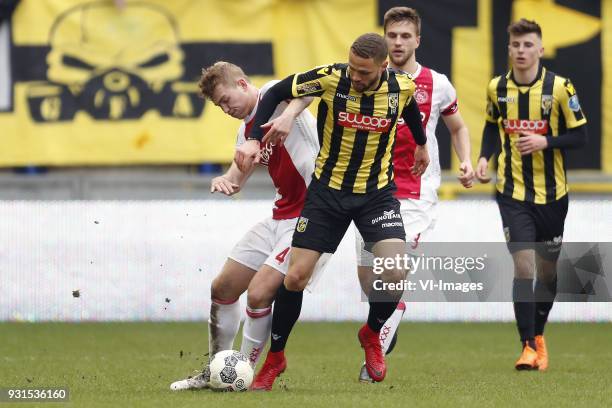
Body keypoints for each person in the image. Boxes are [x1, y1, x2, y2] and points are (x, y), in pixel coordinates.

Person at [235, 33, 430, 390]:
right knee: (295, 278)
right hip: (327, 194)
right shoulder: (331, 77)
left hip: (376, 196)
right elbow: (277, 92)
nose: (355, 77)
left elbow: (412, 112)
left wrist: (421, 144)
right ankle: (275, 359)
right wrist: (251, 137)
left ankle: (371, 334)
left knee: (396, 272)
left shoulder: (401, 87)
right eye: (353, 68)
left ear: (383, 68)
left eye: (364, 73)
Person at [170, 61, 328, 390]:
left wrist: (286, 116)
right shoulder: (246, 132)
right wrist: (225, 180)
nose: (226, 109)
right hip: (279, 216)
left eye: (226, 100)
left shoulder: (275, 94)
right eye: (219, 106)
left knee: (258, 294)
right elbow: (237, 175)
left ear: (242, 84)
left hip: (311, 217)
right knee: (223, 288)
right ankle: (217, 369)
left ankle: (240, 372)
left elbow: (312, 88)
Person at [354, 6, 475, 382]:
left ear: (418, 40)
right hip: (371, 188)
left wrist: (466, 162)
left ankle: (379, 331)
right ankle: (392, 308)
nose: (399, 42)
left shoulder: (436, 83)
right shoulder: (371, 78)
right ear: (384, 37)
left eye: (406, 36)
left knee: (394, 266)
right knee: (368, 277)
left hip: (415, 193)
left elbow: (457, 127)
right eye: (393, 35)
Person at [476, 19, 587, 371]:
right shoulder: (497, 87)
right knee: (523, 266)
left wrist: (545, 141)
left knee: (548, 273)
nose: (522, 51)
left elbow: (580, 137)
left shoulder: (559, 88)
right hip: (512, 192)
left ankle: (539, 336)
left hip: (553, 196)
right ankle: (526, 346)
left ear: (540, 49)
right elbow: (492, 126)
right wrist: (483, 159)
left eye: (528, 45)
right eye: (516, 45)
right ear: (508, 49)